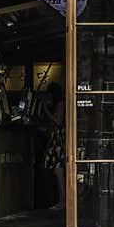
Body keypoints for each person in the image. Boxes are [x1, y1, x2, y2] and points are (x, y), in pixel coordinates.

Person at [43, 82, 66, 210]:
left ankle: (63, 200)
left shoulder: (60, 104)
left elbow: (58, 121)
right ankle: (62, 200)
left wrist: (46, 110)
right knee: (58, 170)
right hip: (56, 138)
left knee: (58, 170)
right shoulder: (59, 103)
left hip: (58, 138)